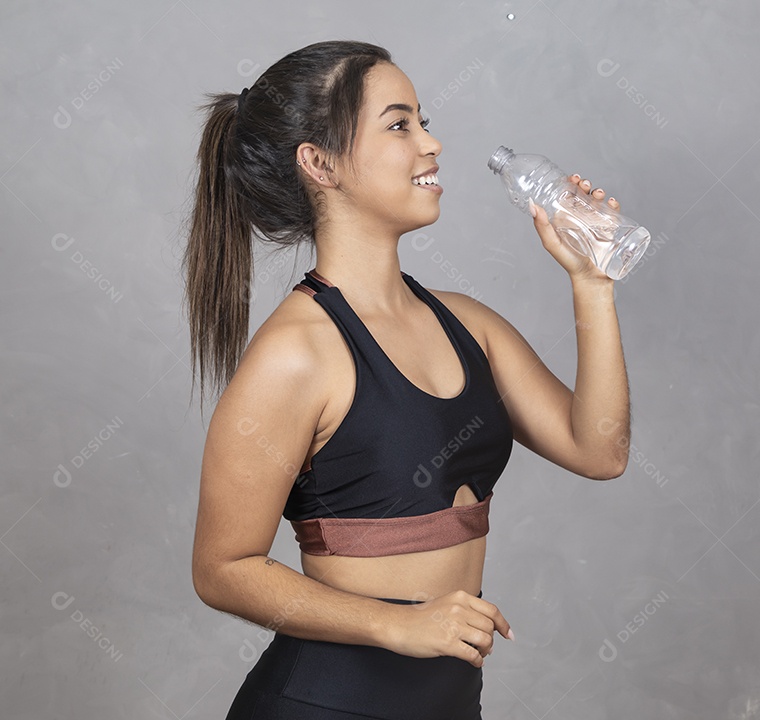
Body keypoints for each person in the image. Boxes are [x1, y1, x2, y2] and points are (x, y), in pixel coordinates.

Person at [184, 40, 631, 719]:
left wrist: (592, 284)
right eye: (400, 125)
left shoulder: (469, 324)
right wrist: (396, 623)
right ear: (319, 163)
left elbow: (599, 451)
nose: (432, 143)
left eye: (424, 120)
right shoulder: (296, 354)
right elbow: (221, 570)